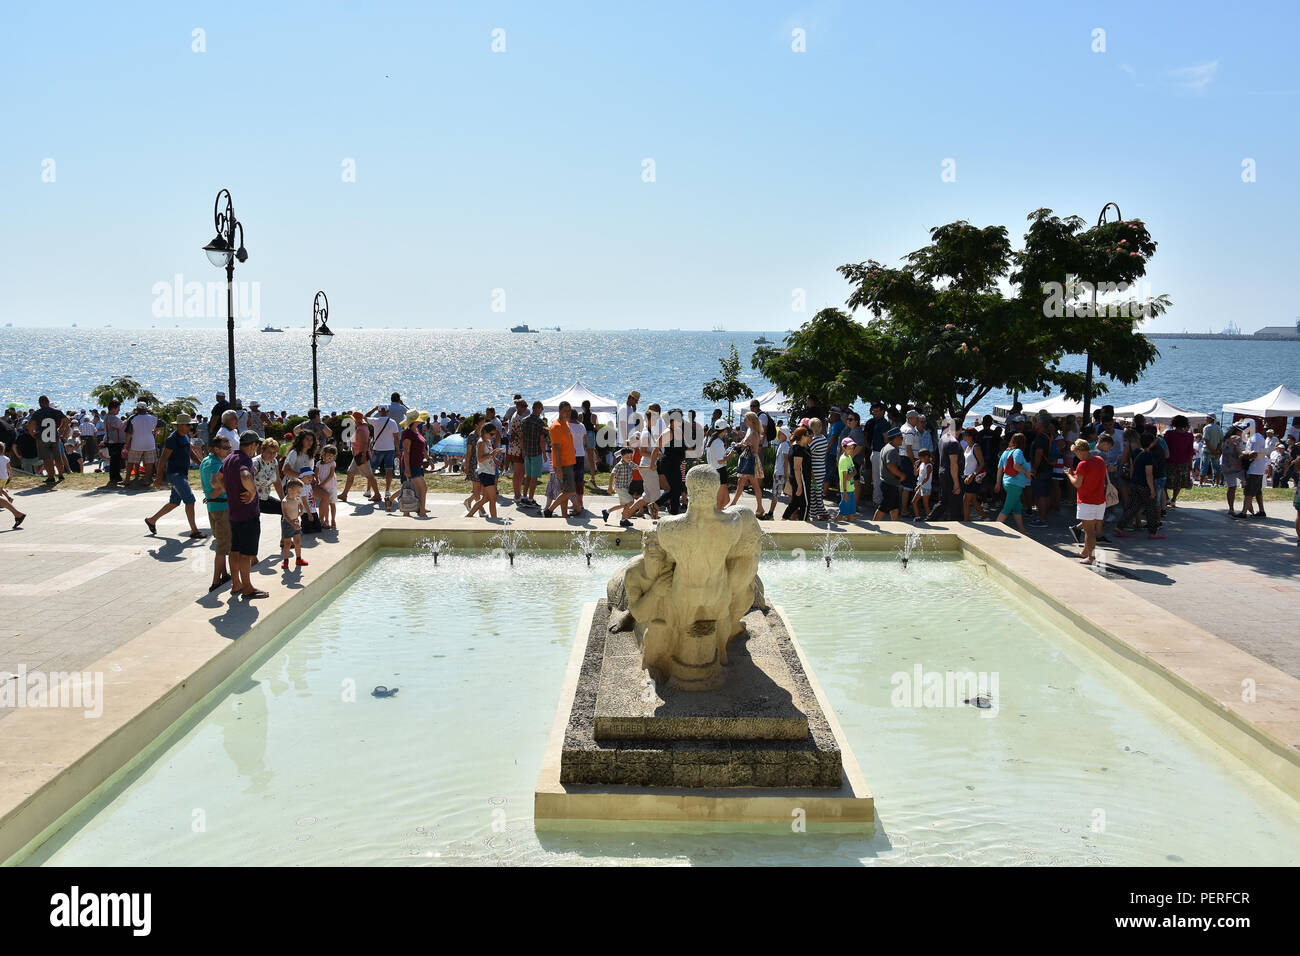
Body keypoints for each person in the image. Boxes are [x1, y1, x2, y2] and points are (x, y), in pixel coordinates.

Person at [222, 431, 269, 599]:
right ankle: (247, 587)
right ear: (251, 445)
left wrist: (230, 490)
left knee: (235, 550)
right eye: (257, 445)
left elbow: (217, 479)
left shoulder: (229, 458)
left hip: (233, 513)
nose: (257, 449)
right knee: (246, 553)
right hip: (247, 514)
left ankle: (236, 584)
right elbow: (245, 475)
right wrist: (251, 491)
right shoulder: (244, 460)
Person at [144, 414, 207, 539]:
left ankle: (151, 520)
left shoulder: (185, 436)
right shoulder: (172, 439)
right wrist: (158, 478)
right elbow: (163, 459)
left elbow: (190, 452)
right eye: (188, 425)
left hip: (182, 474)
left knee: (174, 502)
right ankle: (194, 531)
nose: (191, 427)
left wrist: (201, 463)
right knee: (190, 500)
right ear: (180, 425)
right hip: (175, 475)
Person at [1066, 438, 1108, 565]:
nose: (1076, 455)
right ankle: (1085, 552)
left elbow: (1077, 484)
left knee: (1089, 531)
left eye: (1076, 452)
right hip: (1100, 500)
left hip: (1087, 501)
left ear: (1079, 451)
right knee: (1090, 528)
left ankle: (1091, 557)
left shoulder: (1083, 464)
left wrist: (1069, 475)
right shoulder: (1100, 460)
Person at [1115, 432, 1164, 539]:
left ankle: (1119, 526)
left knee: (1133, 507)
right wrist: (1152, 489)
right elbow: (1149, 474)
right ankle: (1153, 532)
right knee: (1151, 509)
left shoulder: (1136, 452)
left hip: (1135, 483)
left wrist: (1133, 480)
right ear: (1151, 443)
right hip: (1144, 485)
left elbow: (1132, 468)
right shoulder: (1148, 456)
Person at [200, 434, 231, 592]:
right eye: (225, 448)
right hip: (221, 507)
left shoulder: (207, 460)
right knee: (222, 546)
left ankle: (224, 575)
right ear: (216, 448)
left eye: (229, 447)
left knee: (222, 542)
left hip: (214, 507)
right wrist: (229, 489)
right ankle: (215, 582)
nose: (229, 450)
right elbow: (214, 483)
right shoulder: (215, 464)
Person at [728, 411, 767, 518]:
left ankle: (759, 507)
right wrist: (742, 444)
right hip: (748, 459)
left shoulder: (753, 432)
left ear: (751, 420)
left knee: (753, 484)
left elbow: (754, 448)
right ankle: (734, 504)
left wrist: (742, 444)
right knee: (742, 482)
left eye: (746, 419)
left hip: (751, 460)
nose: (744, 421)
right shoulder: (751, 430)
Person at [544, 401, 577, 518]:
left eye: (569, 411)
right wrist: (558, 468)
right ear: (559, 411)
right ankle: (549, 510)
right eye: (565, 411)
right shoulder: (556, 426)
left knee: (565, 492)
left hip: (569, 462)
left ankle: (564, 514)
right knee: (571, 491)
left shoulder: (566, 424)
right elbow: (556, 449)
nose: (568, 413)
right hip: (563, 464)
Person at [995, 433, 1032, 533]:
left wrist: (998, 483)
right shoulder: (1018, 451)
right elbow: (1016, 466)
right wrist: (1027, 473)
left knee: (1017, 507)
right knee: (1007, 508)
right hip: (1015, 483)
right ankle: (995, 531)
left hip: (1007, 482)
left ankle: (1022, 531)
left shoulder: (1006, 452)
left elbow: (1000, 469)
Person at [340, 411, 378, 502]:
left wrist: (364, 456)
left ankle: (377, 494)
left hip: (361, 454)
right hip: (358, 454)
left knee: (369, 476)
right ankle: (344, 494)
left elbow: (365, 444)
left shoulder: (361, 429)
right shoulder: (362, 427)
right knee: (350, 472)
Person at [365, 404, 400, 500]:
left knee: (371, 470)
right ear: (388, 412)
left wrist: (374, 409)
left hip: (378, 449)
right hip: (390, 449)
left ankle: (368, 490)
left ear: (379, 412)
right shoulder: (392, 422)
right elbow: (396, 438)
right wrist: (398, 450)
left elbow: (365, 417)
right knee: (389, 470)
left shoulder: (375, 421)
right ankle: (387, 491)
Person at [31, 396, 67, 485]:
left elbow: (31, 424)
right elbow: (66, 420)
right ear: (48, 402)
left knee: (47, 459)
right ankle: (61, 474)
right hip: (54, 436)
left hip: (43, 437)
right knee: (57, 457)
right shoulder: (56, 412)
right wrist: (61, 429)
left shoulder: (37, 413)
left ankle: (51, 476)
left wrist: (33, 434)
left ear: (39, 403)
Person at [873, 427, 906, 521]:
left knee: (895, 507)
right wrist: (901, 475)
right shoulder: (892, 450)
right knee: (883, 507)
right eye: (901, 437)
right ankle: (874, 526)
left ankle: (895, 526)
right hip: (889, 483)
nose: (902, 440)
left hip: (890, 483)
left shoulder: (886, 447)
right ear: (895, 438)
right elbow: (890, 465)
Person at [519, 400, 546, 508]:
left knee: (528, 476)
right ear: (538, 408)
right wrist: (544, 453)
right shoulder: (540, 422)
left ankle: (524, 497)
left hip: (527, 452)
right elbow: (542, 440)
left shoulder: (524, 420)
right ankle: (530, 499)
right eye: (541, 409)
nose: (541, 411)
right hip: (536, 452)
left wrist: (523, 450)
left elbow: (521, 436)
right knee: (534, 478)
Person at [784, 427, 815, 520]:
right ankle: (803, 524)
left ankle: (783, 519)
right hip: (801, 479)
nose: (809, 437)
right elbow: (797, 468)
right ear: (802, 437)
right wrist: (800, 486)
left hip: (803, 479)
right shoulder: (797, 449)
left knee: (795, 503)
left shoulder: (803, 448)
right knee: (806, 504)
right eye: (807, 435)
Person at [1241, 421, 1269, 520]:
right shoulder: (1257, 437)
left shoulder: (1255, 438)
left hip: (1254, 468)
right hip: (1258, 468)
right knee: (1257, 492)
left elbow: (1255, 454)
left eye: (1246, 428)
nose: (1244, 430)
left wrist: (1243, 455)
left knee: (1248, 492)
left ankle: (1243, 513)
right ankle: (1261, 511)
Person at [961, 427, 988, 521]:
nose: (963, 436)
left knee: (966, 501)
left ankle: (966, 522)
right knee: (973, 500)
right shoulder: (967, 447)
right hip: (965, 476)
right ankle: (984, 517)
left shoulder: (976, 447)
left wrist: (972, 475)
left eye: (965, 434)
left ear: (971, 436)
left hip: (973, 477)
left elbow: (981, 463)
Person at [280, 477, 307, 570]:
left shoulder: (297, 498)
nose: (299, 494)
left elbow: (300, 505)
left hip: (296, 522)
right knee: (287, 543)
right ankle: (286, 560)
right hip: (288, 524)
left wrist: (301, 511)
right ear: (290, 490)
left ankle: (298, 559)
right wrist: (293, 524)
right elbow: (285, 516)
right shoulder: (285, 501)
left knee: (298, 542)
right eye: (298, 491)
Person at [1220, 422, 1246, 516]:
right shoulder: (1237, 439)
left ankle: (1231, 508)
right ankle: (1247, 506)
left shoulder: (1225, 439)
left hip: (1226, 466)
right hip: (1236, 466)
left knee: (1231, 487)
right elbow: (1240, 453)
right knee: (1247, 484)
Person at [253, 437, 284, 516]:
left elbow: (277, 482)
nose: (272, 455)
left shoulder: (274, 462)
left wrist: (283, 500)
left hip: (265, 498)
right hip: (254, 500)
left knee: (285, 509)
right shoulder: (256, 463)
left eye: (274, 452)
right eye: (269, 452)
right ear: (262, 451)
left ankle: (288, 528)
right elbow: (245, 480)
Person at [0, 442, 26, 528]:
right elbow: (9, 468)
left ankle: (18, 514)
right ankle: (17, 514)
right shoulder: (5, 458)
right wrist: (10, 475)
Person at [103, 400, 126, 486]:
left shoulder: (107, 416)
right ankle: (115, 476)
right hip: (114, 441)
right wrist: (127, 421)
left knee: (114, 459)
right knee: (115, 460)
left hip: (112, 440)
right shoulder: (111, 417)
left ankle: (114, 476)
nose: (119, 410)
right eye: (118, 409)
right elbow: (120, 425)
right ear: (113, 408)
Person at [316, 445, 339, 529]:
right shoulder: (318, 463)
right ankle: (326, 519)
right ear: (323, 454)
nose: (331, 458)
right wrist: (317, 481)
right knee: (325, 504)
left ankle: (333, 519)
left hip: (331, 487)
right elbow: (316, 473)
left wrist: (323, 483)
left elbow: (331, 475)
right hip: (323, 488)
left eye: (333, 456)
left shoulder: (332, 463)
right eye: (329, 455)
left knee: (332, 503)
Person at [837, 437, 858, 521]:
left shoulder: (849, 457)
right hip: (846, 490)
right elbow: (845, 477)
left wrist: (851, 474)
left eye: (852, 448)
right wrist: (845, 492)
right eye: (849, 448)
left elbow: (855, 471)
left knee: (851, 512)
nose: (851, 450)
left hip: (851, 489)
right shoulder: (843, 460)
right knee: (842, 512)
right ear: (844, 448)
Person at [912, 448, 932, 520]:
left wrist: (918, 486)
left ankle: (930, 518)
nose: (919, 459)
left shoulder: (929, 466)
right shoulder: (922, 464)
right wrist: (915, 466)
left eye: (921, 457)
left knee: (925, 504)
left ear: (926, 457)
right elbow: (915, 474)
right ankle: (917, 517)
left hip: (925, 487)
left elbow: (927, 478)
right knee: (914, 502)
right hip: (920, 486)